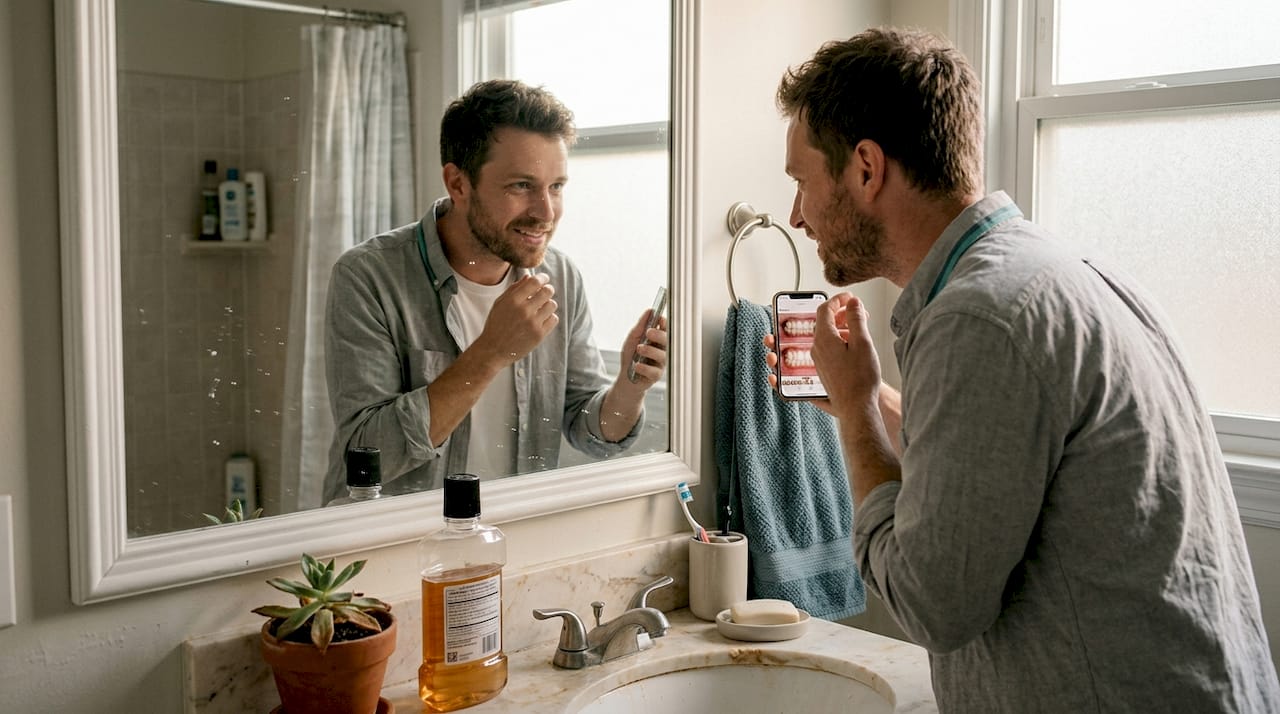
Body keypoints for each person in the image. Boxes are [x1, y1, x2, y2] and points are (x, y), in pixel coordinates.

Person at [766, 27, 1280, 712]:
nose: (797, 215)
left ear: (865, 168)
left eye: (802, 182)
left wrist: (859, 413)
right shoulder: (1057, 275)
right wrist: (872, 400)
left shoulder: (976, 320)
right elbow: (997, 470)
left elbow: (932, 604)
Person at [324, 79, 667, 503]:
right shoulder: (368, 277)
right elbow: (365, 456)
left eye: (556, 186)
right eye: (521, 186)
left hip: (509, 539)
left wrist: (629, 388)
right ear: (458, 184)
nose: (545, 212)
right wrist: (490, 353)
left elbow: (592, 433)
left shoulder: (561, 277)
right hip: (391, 547)